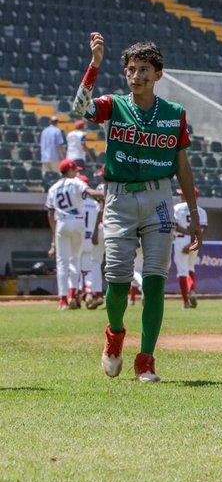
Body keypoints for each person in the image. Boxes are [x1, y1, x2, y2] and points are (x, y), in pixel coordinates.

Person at [72, 33, 202, 383]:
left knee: (156, 282)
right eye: (131, 69)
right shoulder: (114, 105)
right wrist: (95, 64)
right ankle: (115, 334)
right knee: (116, 281)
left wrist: (193, 213)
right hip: (119, 199)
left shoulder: (174, 113)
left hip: (160, 198)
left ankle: (146, 359)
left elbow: (182, 165)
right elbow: (80, 108)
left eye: (144, 69)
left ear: (158, 74)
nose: (136, 75)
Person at [46, 158, 97, 310]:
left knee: (62, 263)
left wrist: (54, 237)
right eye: (75, 170)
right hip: (77, 222)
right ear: (69, 170)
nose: (76, 173)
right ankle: (72, 294)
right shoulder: (76, 182)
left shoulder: (53, 187)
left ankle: (63, 300)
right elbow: (89, 192)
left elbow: (50, 214)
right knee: (75, 260)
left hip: (61, 223)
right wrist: (104, 194)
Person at [173, 188, 208, 309]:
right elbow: (202, 230)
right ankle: (192, 290)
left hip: (181, 240)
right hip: (195, 240)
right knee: (191, 268)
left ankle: (186, 302)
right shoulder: (201, 211)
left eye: (182, 194)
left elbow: (173, 225)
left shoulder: (177, 208)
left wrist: (187, 234)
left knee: (182, 272)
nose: (180, 196)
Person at [79, 178, 105, 310]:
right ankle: (96, 293)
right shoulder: (94, 204)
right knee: (96, 264)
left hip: (80, 238)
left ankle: (87, 292)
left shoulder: (77, 203)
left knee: (80, 267)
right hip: (94, 235)